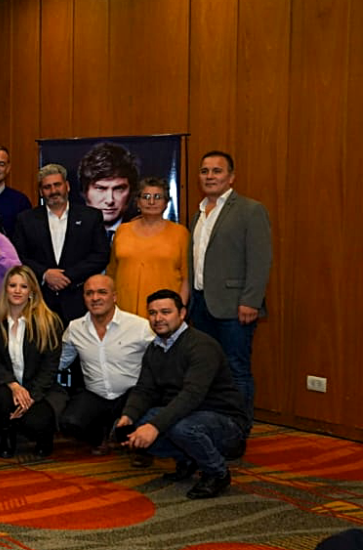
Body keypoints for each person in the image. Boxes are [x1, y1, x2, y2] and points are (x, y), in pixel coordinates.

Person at [119, 289, 249, 499]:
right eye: (152, 313)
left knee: (181, 428)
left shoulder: (201, 346)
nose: (158, 318)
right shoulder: (155, 348)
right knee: (136, 427)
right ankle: (189, 458)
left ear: (181, 314)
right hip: (188, 413)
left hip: (223, 420)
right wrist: (128, 417)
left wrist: (154, 427)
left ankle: (218, 473)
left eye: (165, 312)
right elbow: (144, 389)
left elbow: (192, 395)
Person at [188, 151, 272, 421]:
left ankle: (239, 428)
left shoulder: (250, 210)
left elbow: (260, 259)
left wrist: (251, 300)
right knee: (207, 369)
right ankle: (214, 423)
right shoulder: (197, 215)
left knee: (237, 369)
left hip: (236, 307)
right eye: (204, 171)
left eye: (216, 171)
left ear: (231, 177)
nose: (210, 176)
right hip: (200, 306)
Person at [59, 275, 155, 455]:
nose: (95, 298)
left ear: (114, 296)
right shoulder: (75, 328)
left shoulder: (139, 326)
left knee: (133, 429)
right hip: (95, 394)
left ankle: (133, 442)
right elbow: (61, 361)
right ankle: (100, 435)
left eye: (102, 292)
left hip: (131, 395)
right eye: (89, 293)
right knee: (69, 422)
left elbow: (161, 358)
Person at [12, 164, 110, 323]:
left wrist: (67, 276)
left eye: (57, 185)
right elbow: (18, 257)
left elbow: (101, 255)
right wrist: (45, 274)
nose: (53, 191)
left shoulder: (90, 217)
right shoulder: (26, 220)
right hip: (39, 301)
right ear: (41, 192)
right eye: (47, 187)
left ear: (67, 186)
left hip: (79, 300)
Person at [0, 266, 66, 458]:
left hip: (39, 388)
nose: (17, 290)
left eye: (23, 286)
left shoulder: (49, 322)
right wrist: (14, 386)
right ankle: (7, 433)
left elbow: (50, 367)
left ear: (31, 291)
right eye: (12, 285)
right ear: (5, 289)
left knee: (37, 420)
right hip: (8, 386)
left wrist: (30, 397)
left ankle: (43, 436)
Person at [108, 177, 190, 315]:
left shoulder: (180, 233)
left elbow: (186, 278)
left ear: (166, 202)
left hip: (163, 314)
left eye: (157, 197)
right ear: (138, 202)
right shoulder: (122, 231)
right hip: (124, 313)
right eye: (146, 197)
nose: (151, 202)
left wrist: (179, 309)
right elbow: (112, 272)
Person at [78, 142, 140, 239]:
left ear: (131, 191)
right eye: (100, 188)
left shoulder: (146, 234)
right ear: (85, 192)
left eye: (119, 189)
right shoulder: (68, 234)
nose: (110, 200)